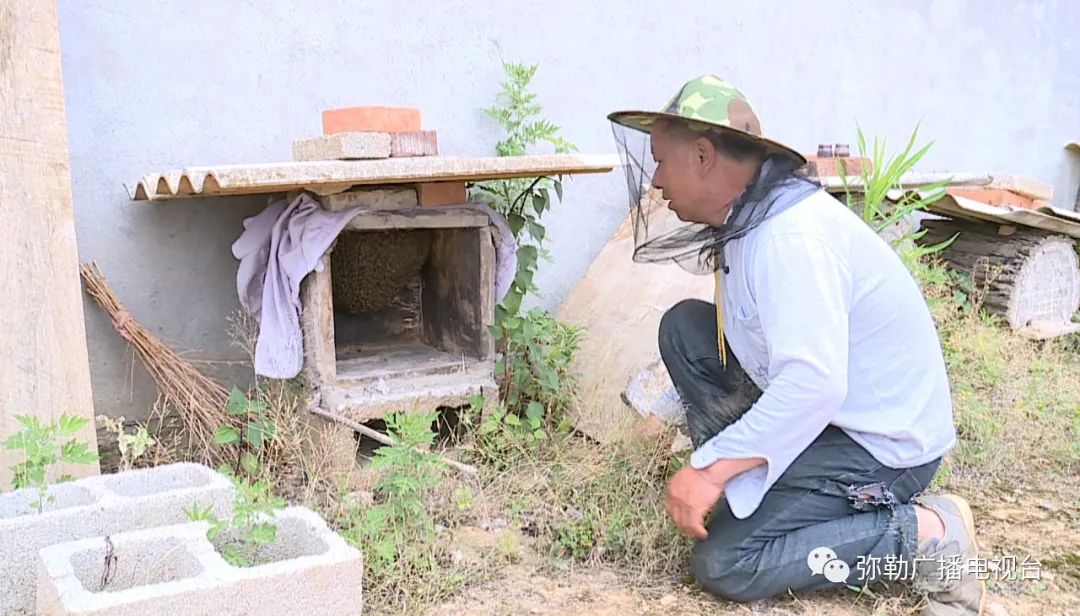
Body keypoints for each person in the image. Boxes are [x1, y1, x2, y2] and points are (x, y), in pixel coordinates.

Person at [606, 75, 986, 615]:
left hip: (882, 447)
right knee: (687, 329)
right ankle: (759, 492)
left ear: (704, 155)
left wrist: (710, 470)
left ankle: (929, 531)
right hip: (833, 416)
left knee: (728, 563)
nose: (658, 181)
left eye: (662, 162)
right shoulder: (750, 221)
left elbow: (813, 384)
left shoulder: (791, 240)